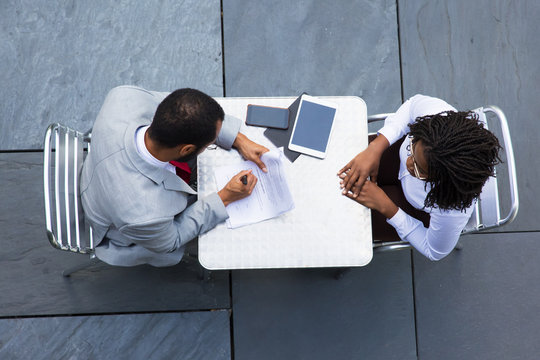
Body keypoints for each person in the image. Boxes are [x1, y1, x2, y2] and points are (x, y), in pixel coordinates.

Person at [80, 86, 269, 267]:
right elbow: (173, 239)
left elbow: (183, 110)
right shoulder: (145, 215)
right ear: (186, 149)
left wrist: (239, 140)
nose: (212, 144)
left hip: (101, 167)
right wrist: (225, 197)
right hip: (122, 228)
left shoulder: (124, 97)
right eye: (210, 143)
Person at [338, 94, 501, 260]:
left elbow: (434, 251)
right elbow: (412, 106)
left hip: (410, 207)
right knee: (339, 158)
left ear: (442, 182)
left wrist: (387, 207)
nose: (409, 162)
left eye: (420, 170)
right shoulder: (438, 119)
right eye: (412, 146)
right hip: (391, 155)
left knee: (346, 219)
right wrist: (376, 148)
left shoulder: (452, 209)